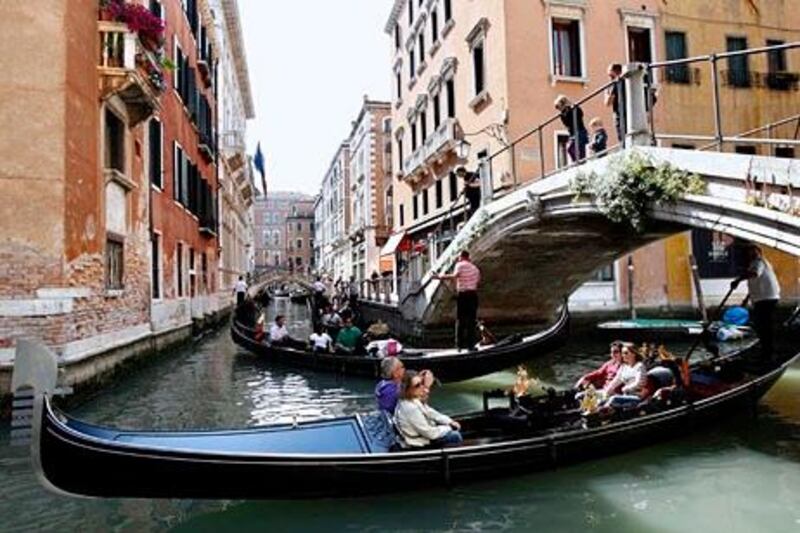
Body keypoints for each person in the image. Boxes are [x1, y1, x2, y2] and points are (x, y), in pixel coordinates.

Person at [731, 244, 781, 360]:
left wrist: (738, 280)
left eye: (752, 251)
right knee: (762, 325)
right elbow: (757, 283)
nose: (750, 254)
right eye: (749, 251)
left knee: (764, 326)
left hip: (766, 299)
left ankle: (767, 353)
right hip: (764, 298)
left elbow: (754, 274)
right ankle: (766, 351)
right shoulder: (756, 263)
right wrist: (747, 299)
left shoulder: (759, 262)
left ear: (758, 252)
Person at [394, 372, 462, 448]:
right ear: (408, 389)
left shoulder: (413, 399)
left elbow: (430, 412)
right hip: (418, 443)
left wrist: (449, 421)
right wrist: (449, 428)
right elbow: (430, 433)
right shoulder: (410, 408)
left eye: (422, 383)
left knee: (450, 430)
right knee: (455, 436)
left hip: (424, 436)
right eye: (417, 385)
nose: (422, 387)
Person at [433, 250, 481, 350]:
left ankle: (459, 345)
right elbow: (477, 281)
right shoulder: (475, 269)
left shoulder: (460, 265)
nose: (458, 259)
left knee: (461, 320)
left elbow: (454, 276)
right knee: (471, 321)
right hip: (473, 295)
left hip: (463, 295)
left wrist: (440, 277)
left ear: (462, 257)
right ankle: (470, 346)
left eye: (459, 257)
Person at [602, 343, 647, 408]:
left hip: (637, 396)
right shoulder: (623, 366)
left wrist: (626, 388)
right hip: (625, 395)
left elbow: (640, 383)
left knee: (614, 399)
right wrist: (608, 390)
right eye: (622, 353)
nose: (623, 355)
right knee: (604, 398)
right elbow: (616, 380)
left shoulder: (640, 366)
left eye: (626, 353)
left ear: (634, 354)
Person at [555, 95, 589, 163]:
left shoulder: (574, 108)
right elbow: (566, 124)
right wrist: (562, 115)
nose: (559, 109)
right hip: (572, 133)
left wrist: (573, 106)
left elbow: (581, 114)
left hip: (580, 131)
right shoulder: (563, 114)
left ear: (563, 104)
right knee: (570, 149)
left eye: (559, 107)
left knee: (579, 149)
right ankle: (577, 163)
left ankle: (581, 163)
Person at [604, 63, 626, 142]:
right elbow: (608, 103)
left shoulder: (620, 82)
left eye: (610, 73)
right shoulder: (612, 85)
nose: (609, 76)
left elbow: (608, 102)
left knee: (624, 137)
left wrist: (608, 93)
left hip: (622, 113)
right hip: (622, 113)